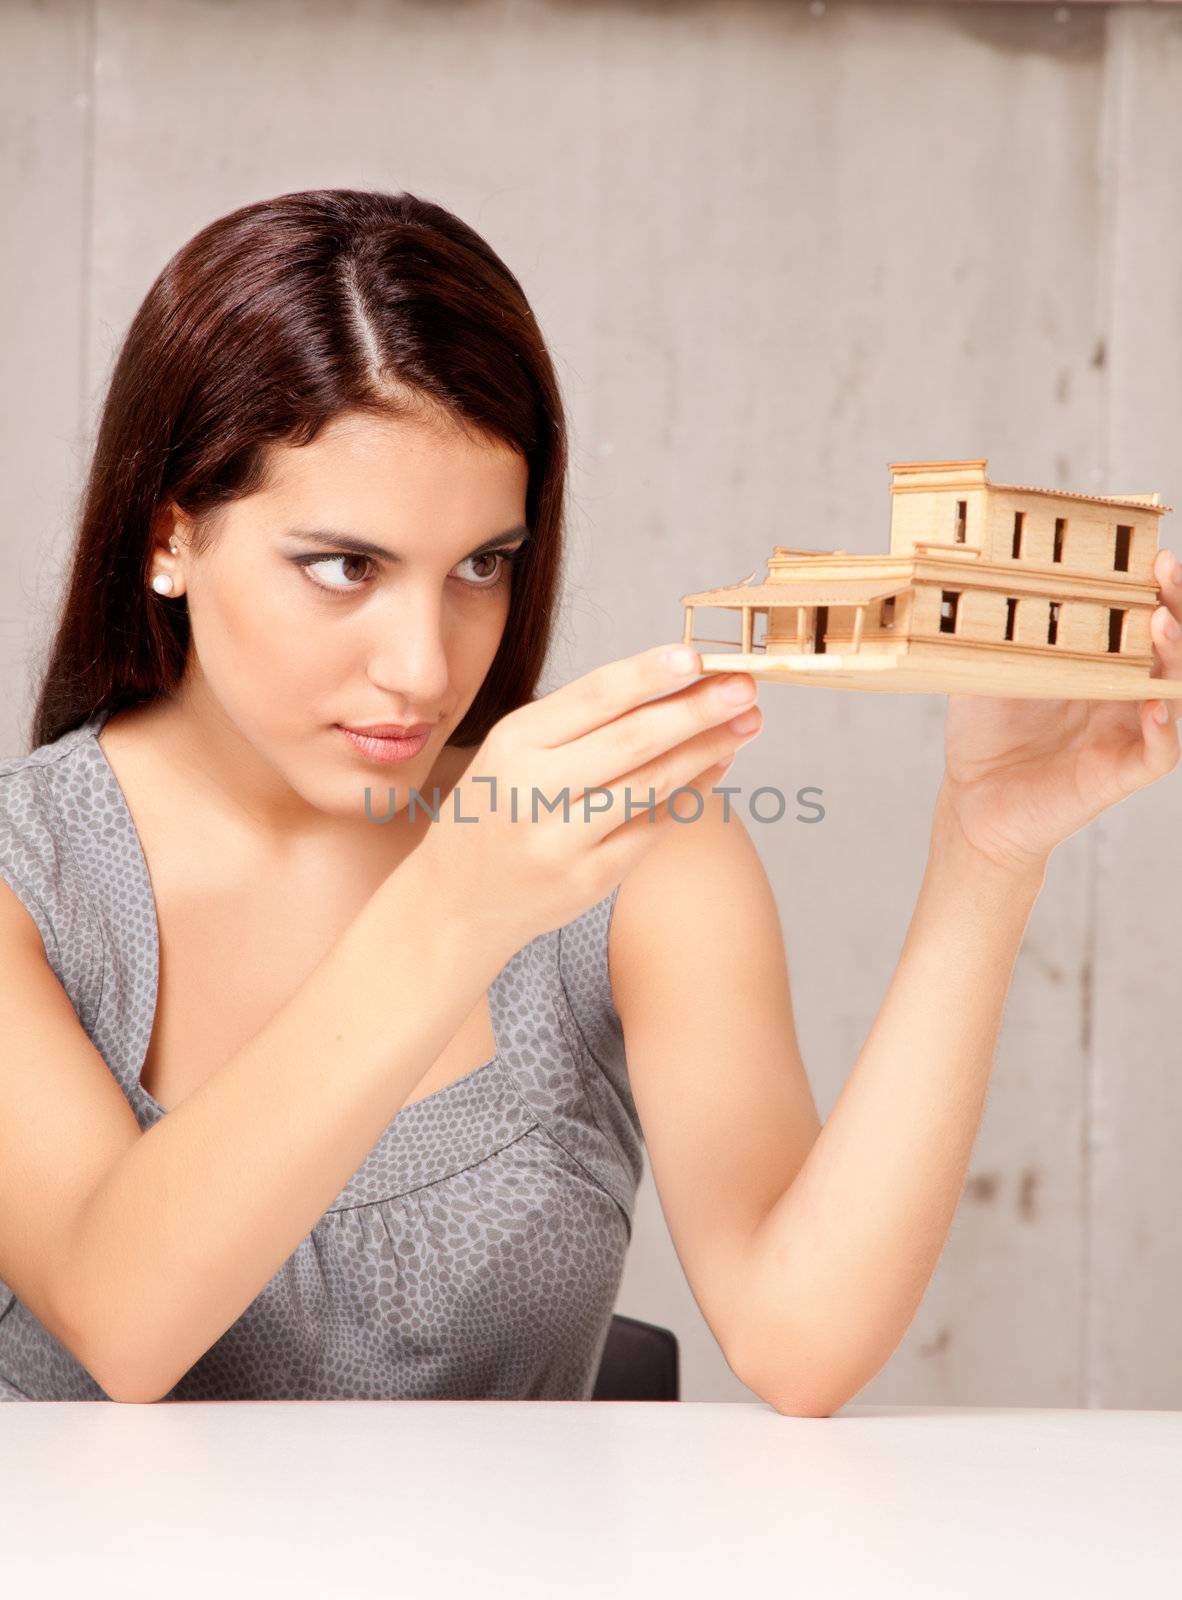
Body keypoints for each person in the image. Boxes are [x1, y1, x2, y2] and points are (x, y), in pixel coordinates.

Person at [0, 189, 1178, 1411]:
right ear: (170, 536)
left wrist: (987, 849)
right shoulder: (27, 875)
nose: (424, 664)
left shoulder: (629, 850)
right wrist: (452, 904)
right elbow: (121, 1319)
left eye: (481, 566)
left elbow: (800, 1337)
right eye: (344, 567)